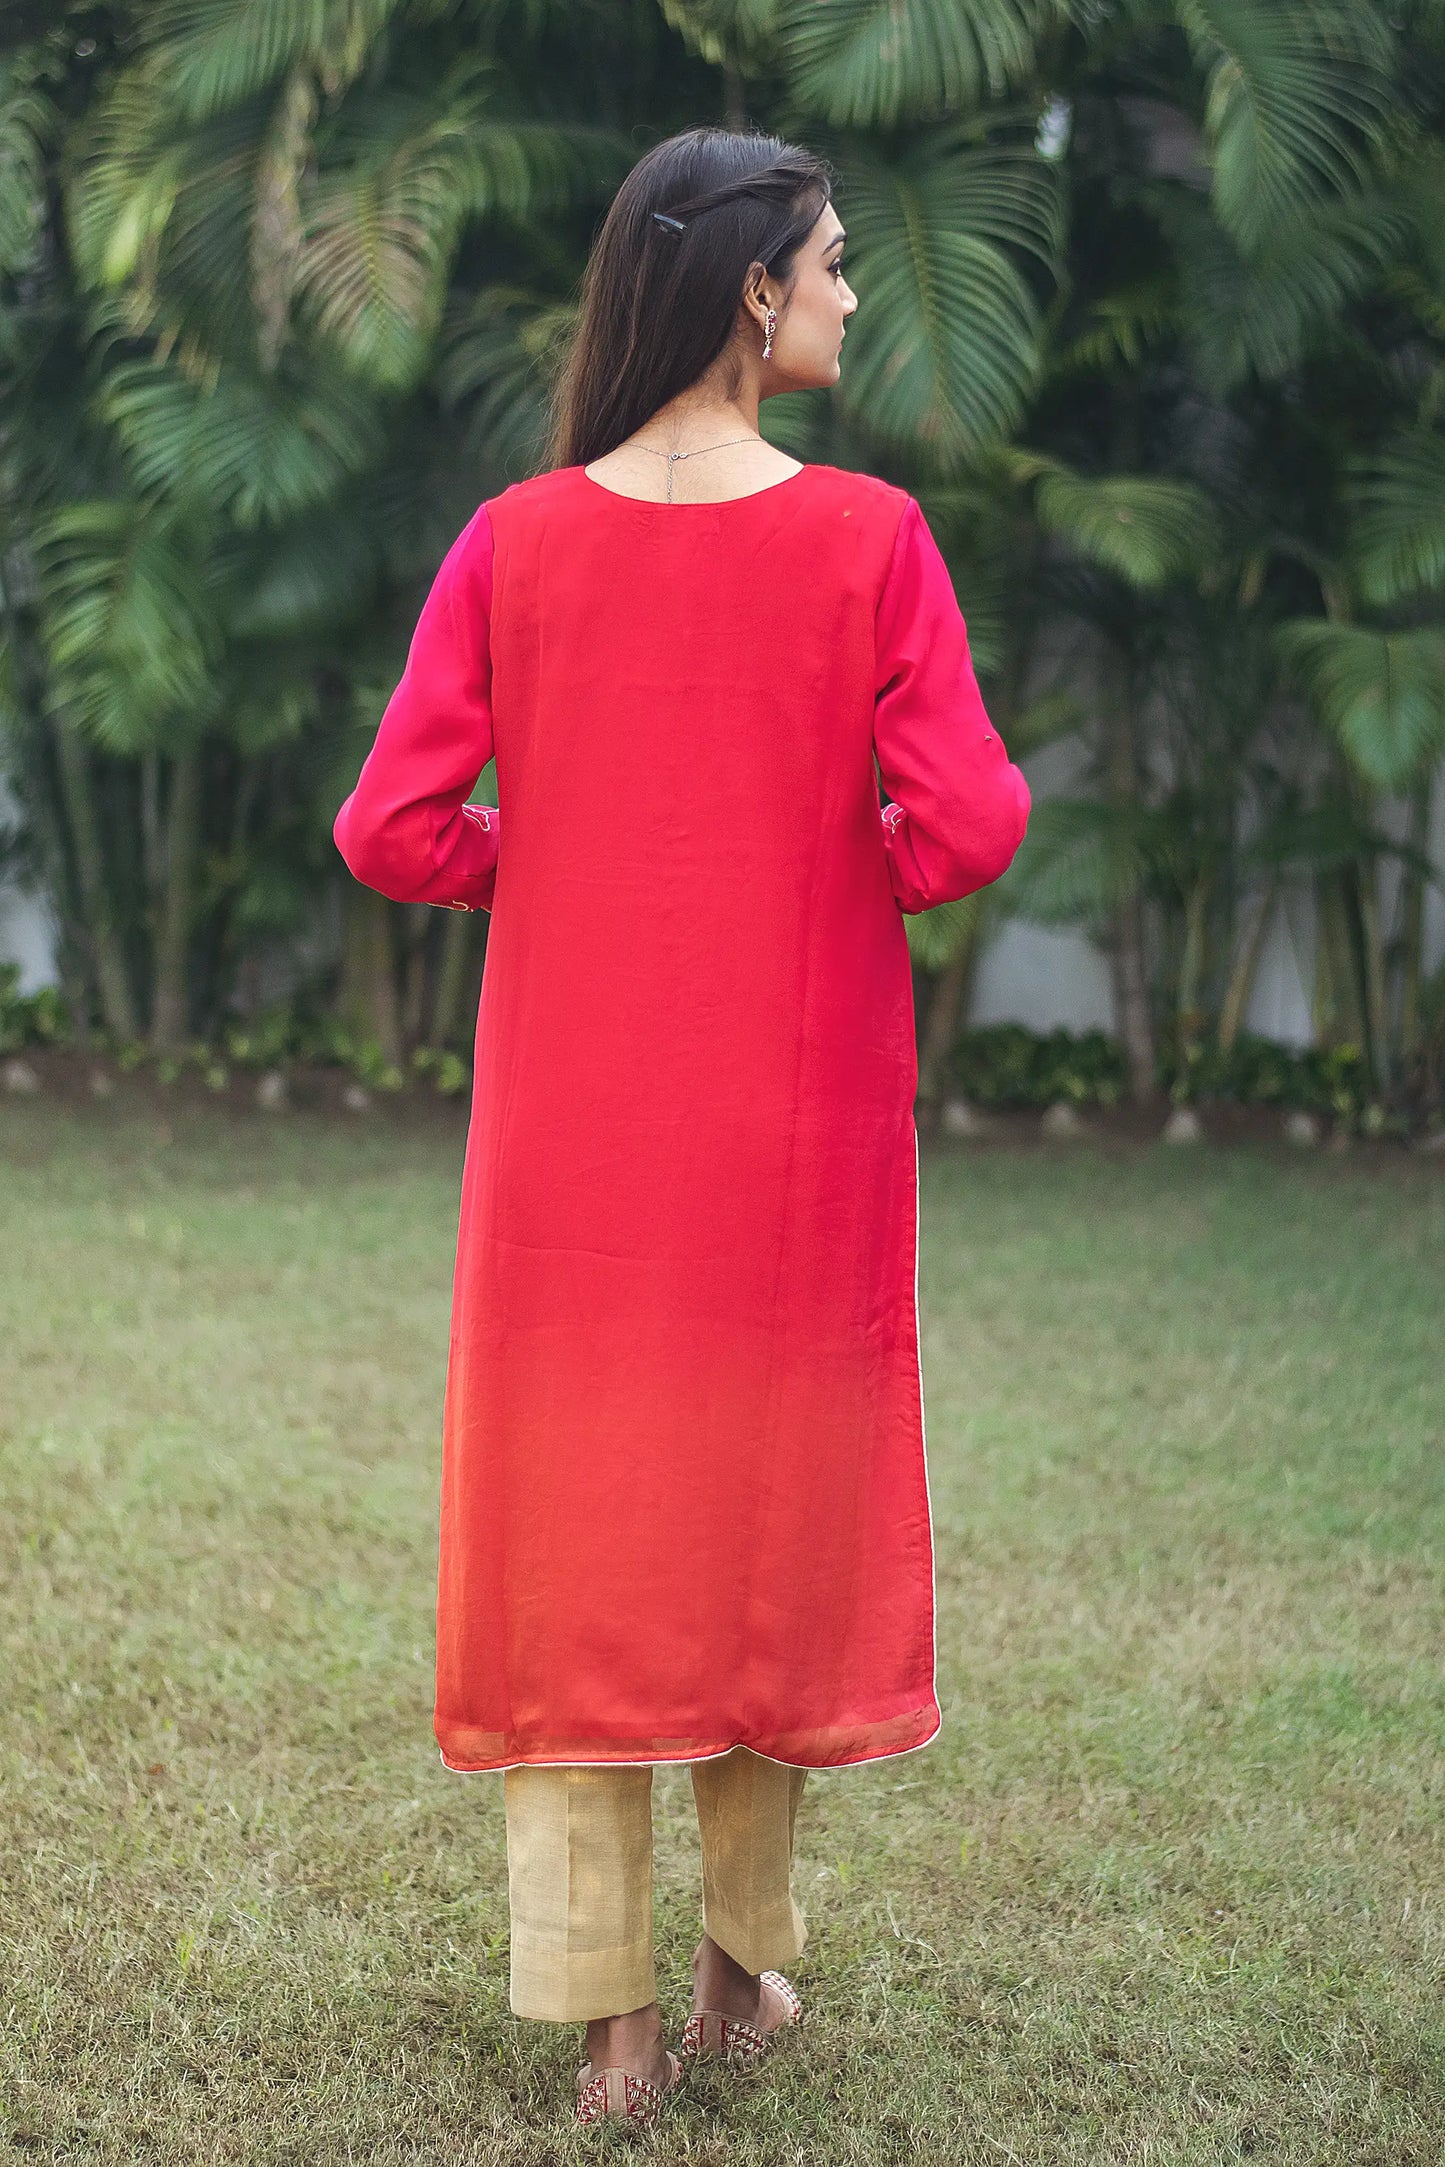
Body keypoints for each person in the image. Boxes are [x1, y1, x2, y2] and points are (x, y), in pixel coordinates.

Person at [333, 123, 1031, 2128]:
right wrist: (836, 859)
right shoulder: (872, 537)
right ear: (748, 292)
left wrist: (543, 858)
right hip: (790, 1137)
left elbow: (386, 823)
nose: (848, 293)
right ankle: (737, 1977)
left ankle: (611, 2024)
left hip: (574, 1152)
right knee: (755, 1533)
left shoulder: (515, 538)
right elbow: (969, 821)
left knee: (578, 1548)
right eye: (825, 266)